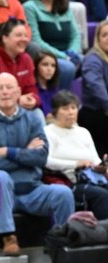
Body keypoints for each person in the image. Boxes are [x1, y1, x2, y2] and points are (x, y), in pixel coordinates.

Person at [0, 73, 75, 256]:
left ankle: (60, 241)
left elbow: (41, 157)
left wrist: (8, 151)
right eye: (0, 88)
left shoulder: (33, 119)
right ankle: (9, 237)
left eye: (9, 87)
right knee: (1, 177)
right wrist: (25, 152)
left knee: (64, 193)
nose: (5, 92)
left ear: (19, 92)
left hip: (32, 190)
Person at [45, 90, 108, 219]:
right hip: (67, 181)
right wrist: (76, 164)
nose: (71, 112)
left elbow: (95, 160)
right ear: (55, 112)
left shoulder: (84, 132)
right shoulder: (48, 132)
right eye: (65, 108)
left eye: (73, 108)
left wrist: (103, 165)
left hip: (92, 179)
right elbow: (46, 161)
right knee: (101, 195)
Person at [23, 0, 82, 88]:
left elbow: (75, 35)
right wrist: (63, 56)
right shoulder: (30, 7)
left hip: (68, 53)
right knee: (67, 67)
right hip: (45, 55)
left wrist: (73, 53)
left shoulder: (65, 7)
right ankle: (61, 101)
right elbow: (36, 40)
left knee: (90, 62)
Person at [79, 20, 108, 158]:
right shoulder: (92, 59)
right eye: (104, 35)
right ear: (97, 39)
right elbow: (96, 86)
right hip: (96, 114)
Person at [34, 51, 60, 121]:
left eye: (53, 66)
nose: (49, 69)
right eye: (45, 65)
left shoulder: (55, 88)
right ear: (36, 66)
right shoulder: (32, 88)